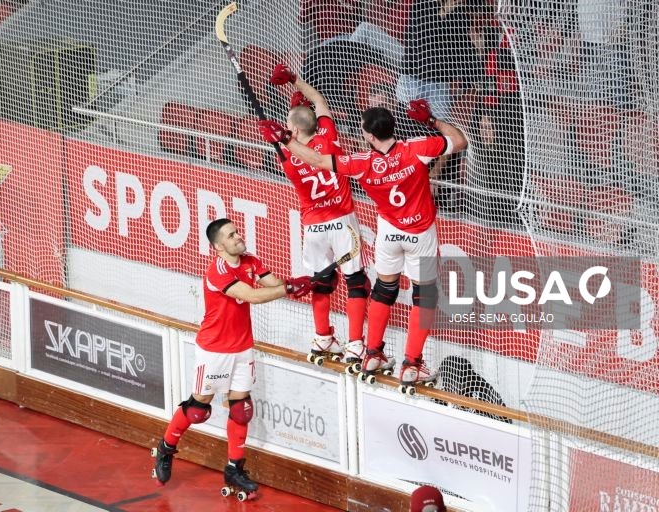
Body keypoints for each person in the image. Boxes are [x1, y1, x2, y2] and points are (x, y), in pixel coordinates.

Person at [257, 99, 468, 387]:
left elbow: (317, 160)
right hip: (420, 234)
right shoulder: (417, 148)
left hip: (389, 234)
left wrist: (284, 139)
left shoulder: (360, 162)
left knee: (384, 289)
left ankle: (372, 354)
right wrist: (431, 121)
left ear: (369, 135)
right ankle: (412, 364)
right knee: (424, 295)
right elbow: (459, 140)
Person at [152, 218, 313, 495]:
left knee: (241, 409)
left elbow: (274, 284)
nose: (238, 236)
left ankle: (234, 469)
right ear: (218, 246)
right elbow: (253, 296)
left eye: (237, 232)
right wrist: (287, 288)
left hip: (242, 348)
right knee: (198, 409)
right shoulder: (217, 271)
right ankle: (166, 448)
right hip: (214, 350)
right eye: (231, 235)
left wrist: (303, 284)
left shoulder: (250, 260)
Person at [268, 63, 370, 368]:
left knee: (320, 282)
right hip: (343, 222)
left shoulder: (287, 156)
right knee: (356, 282)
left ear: (295, 132)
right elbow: (321, 102)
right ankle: (355, 345)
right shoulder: (329, 136)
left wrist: (278, 139)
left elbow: (286, 143)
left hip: (313, 227)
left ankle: (322, 336)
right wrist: (295, 81)